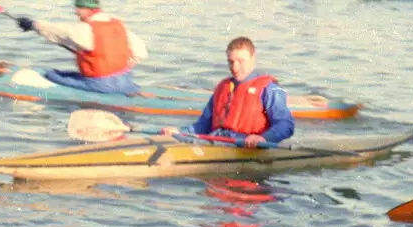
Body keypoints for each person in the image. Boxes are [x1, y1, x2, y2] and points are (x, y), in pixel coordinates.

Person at [165, 37, 294, 149]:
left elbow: (286, 125)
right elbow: (203, 125)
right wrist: (179, 132)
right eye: (231, 62)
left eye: (240, 61)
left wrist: (264, 138)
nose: (235, 68)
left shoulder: (269, 89)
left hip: (246, 145)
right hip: (217, 141)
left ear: (253, 58)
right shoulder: (223, 87)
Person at [16, 0, 147, 95]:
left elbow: (57, 32)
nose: (76, 13)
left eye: (78, 8)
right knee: (67, 74)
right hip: (126, 81)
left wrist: (32, 24)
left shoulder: (86, 29)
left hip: (101, 85)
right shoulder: (118, 25)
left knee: (50, 74)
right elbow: (141, 52)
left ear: (87, 8)